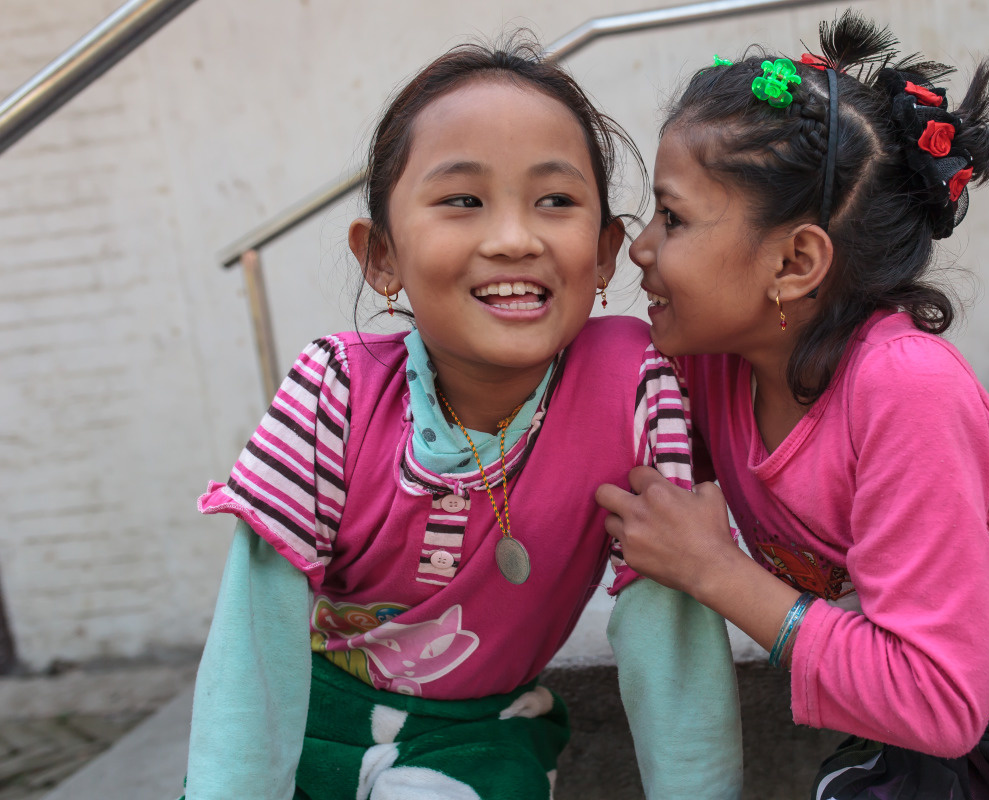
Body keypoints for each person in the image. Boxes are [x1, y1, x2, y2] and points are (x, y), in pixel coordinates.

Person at [597, 12, 989, 799]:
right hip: (923, 713)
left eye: (672, 218)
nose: (641, 248)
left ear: (795, 261)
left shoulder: (903, 387)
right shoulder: (713, 364)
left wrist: (716, 571)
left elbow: (938, 700)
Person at [183, 39, 741, 800]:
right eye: (462, 200)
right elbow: (255, 637)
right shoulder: (333, 390)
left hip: (481, 734)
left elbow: (669, 627)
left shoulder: (631, 388)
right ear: (382, 257)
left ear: (607, 253)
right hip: (311, 714)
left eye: (556, 201)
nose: (514, 238)